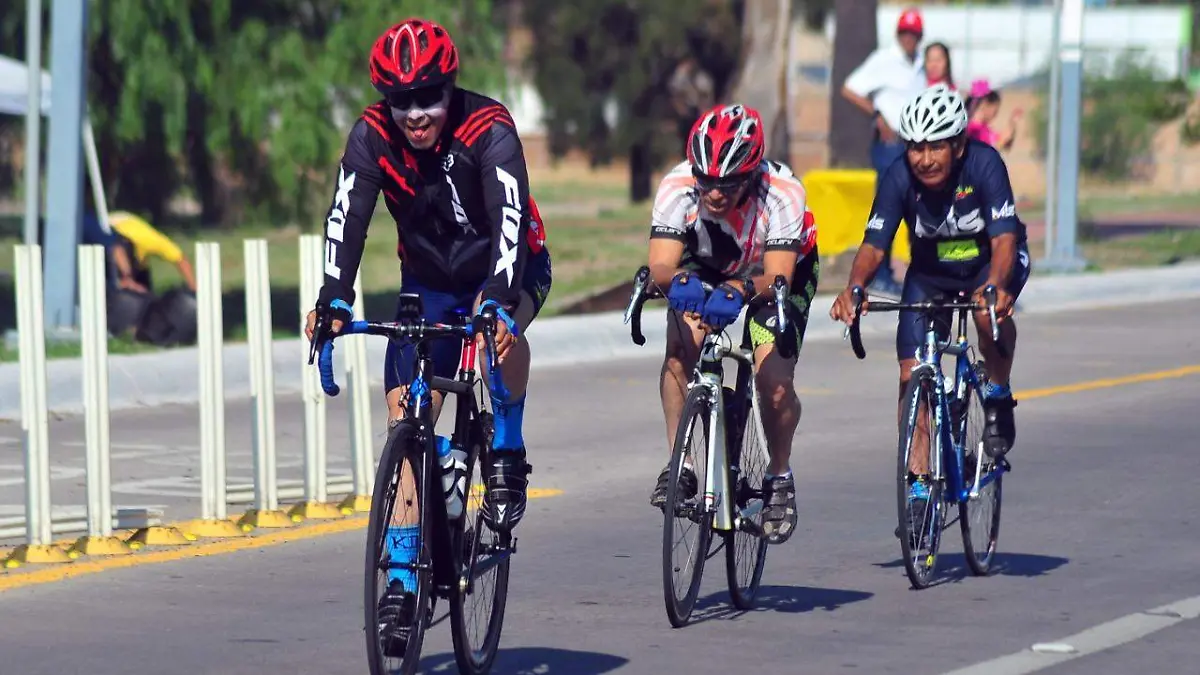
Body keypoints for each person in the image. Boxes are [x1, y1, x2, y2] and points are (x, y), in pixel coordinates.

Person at [303, 17, 552, 653]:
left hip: (509, 267)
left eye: (429, 98)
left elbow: (508, 221)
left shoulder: (488, 129)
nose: (416, 114)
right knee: (406, 416)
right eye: (402, 101)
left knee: (496, 345)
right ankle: (403, 579)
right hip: (429, 283)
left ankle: (507, 448)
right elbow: (347, 219)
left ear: (451, 88)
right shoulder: (371, 135)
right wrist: (333, 296)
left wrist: (498, 300)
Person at [828, 84, 1030, 526]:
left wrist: (996, 286)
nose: (924, 158)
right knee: (910, 372)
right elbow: (874, 246)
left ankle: (997, 393)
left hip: (989, 266)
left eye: (935, 146)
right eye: (915, 147)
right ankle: (918, 483)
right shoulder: (899, 175)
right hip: (930, 277)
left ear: (958, 145)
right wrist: (855, 288)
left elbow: (1003, 239)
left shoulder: (985, 163)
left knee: (985, 312)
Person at [646, 103, 820, 545]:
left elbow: (779, 275)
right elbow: (662, 266)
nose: (715, 194)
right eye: (707, 182)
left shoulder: (782, 191)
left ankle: (780, 476)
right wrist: (678, 284)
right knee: (679, 350)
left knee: (773, 382)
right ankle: (681, 464)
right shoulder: (677, 186)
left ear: (752, 174)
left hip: (775, 272)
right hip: (710, 264)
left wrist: (743, 292)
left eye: (727, 184)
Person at [840, 6, 928, 298]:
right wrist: (877, 114)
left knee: (917, 207)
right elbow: (850, 89)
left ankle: (920, 271)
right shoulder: (884, 60)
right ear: (897, 34)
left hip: (913, 145)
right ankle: (880, 275)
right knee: (889, 206)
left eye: (914, 34)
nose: (909, 39)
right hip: (889, 145)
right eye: (905, 33)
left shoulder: (918, 65)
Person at [107, 211, 198, 293]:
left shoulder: (148, 240)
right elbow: (117, 251)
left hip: (126, 227)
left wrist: (193, 286)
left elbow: (180, 258)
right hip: (111, 230)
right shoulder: (110, 243)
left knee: (142, 290)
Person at [965, 79, 1022, 151]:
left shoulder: (984, 130)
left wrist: (1012, 123)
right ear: (984, 105)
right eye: (995, 111)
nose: (995, 115)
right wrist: (1012, 122)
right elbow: (997, 145)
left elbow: (1006, 143)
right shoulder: (974, 130)